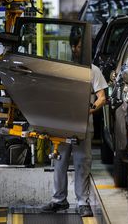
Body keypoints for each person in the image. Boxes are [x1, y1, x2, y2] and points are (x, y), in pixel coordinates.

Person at [42, 26, 108, 217]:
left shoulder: (93, 70)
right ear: (72, 48)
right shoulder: (63, 69)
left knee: (82, 162)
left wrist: (89, 110)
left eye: (83, 47)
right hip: (62, 123)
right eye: (78, 46)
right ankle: (58, 200)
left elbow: (102, 97)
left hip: (83, 123)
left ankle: (82, 202)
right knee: (59, 161)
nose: (80, 50)